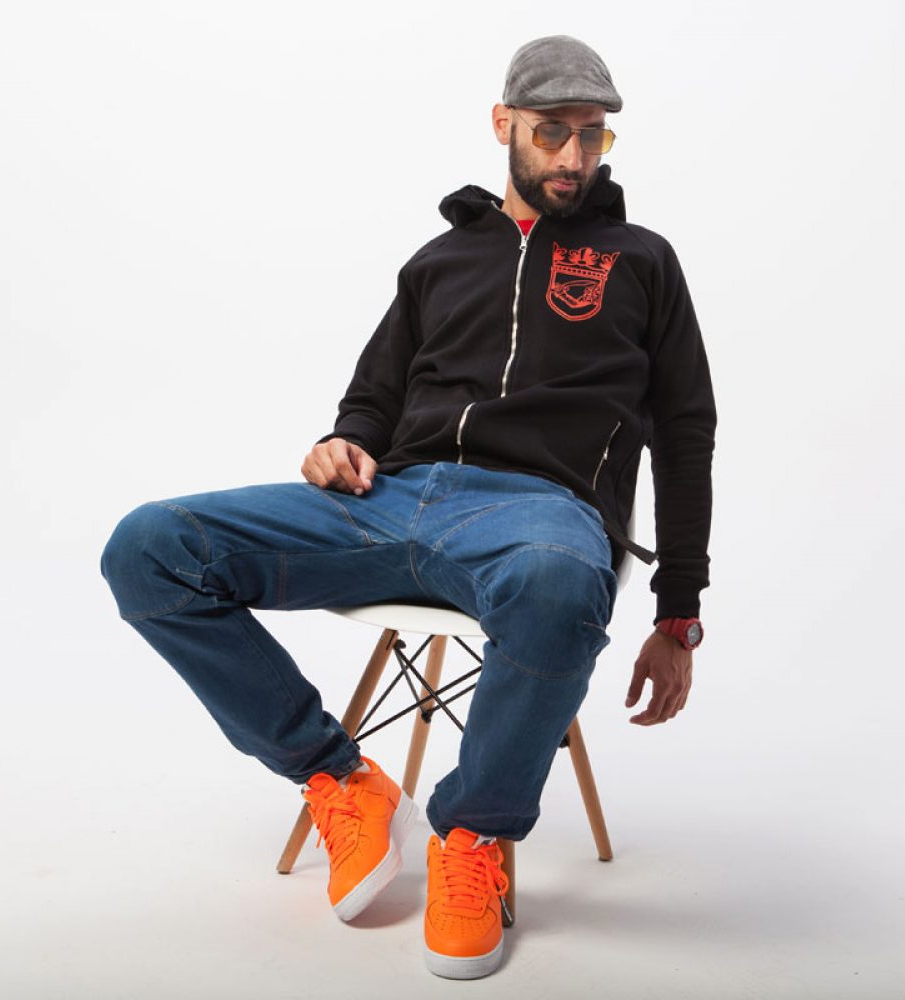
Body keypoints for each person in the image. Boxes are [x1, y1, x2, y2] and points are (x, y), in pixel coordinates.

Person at [100, 34, 716, 980]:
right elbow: (373, 399)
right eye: (552, 132)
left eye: (594, 135)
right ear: (503, 123)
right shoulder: (439, 260)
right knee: (148, 547)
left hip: (538, 515)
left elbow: (684, 432)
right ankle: (340, 779)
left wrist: (678, 613)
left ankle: (471, 835)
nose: (574, 157)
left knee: (559, 587)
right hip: (390, 500)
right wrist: (341, 442)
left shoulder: (641, 260)